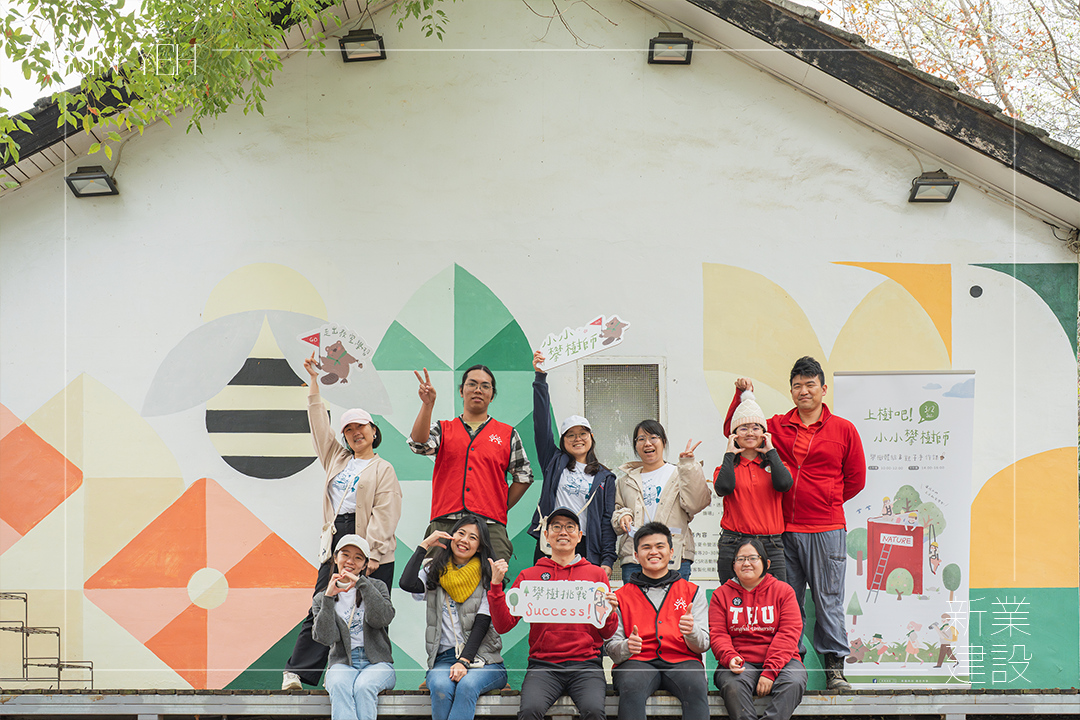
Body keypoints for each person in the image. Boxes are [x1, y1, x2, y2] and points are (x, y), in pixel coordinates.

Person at [726, 357, 865, 689]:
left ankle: (835, 670)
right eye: (797, 385)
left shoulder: (843, 429)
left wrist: (827, 500)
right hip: (783, 531)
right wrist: (740, 396)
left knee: (828, 599)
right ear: (791, 391)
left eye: (810, 384)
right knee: (788, 601)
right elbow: (736, 429)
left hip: (826, 529)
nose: (804, 391)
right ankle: (792, 663)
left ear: (823, 389)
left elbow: (856, 479)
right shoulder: (776, 425)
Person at [283, 353, 402, 691]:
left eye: (360, 427)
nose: (354, 433)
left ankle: (374, 672)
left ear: (373, 431)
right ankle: (298, 672)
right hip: (338, 541)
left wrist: (371, 552)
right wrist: (313, 382)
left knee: (373, 610)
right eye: (348, 429)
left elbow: (386, 511)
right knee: (324, 601)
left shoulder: (383, 468)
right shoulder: (337, 457)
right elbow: (319, 426)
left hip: (370, 544)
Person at [488, 507, 619, 720]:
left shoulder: (596, 575)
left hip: (586, 665)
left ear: (579, 535)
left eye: (570, 527)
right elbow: (504, 626)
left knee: (594, 711)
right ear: (546, 535)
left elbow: (607, 632)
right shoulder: (529, 576)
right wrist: (496, 586)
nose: (563, 532)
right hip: (543, 666)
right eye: (556, 527)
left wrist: (610, 613)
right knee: (529, 712)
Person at [410, 365, 533, 561]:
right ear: (461, 391)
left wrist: (500, 506)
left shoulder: (507, 434)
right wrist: (428, 405)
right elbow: (418, 444)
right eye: (472, 384)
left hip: (490, 526)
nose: (478, 390)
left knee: (492, 578)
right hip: (445, 522)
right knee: (436, 577)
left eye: (485, 386)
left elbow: (524, 476)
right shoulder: (443, 429)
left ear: (492, 396)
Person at [398, 516, 508, 720]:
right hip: (444, 659)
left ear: (480, 547)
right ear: (451, 536)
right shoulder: (433, 570)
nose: (464, 540)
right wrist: (424, 546)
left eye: (473, 537)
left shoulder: (488, 575)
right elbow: (407, 583)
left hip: (485, 661)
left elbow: (482, 624)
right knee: (440, 686)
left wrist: (464, 662)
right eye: (461, 533)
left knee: (467, 685)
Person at [606, 521, 710, 720]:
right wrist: (627, 646)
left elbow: (703, 644)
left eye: (659, 546)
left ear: (671, 552)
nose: (653, 552)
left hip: (683, 661)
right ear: (636, 555)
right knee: (631, 685)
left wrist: (692, 632)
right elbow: (612, 648)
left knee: (696, 685)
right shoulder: (619, 596)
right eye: (646, 547)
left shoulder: (692, 592)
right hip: (636, 663)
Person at [529, 350, 616, 577]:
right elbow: (541, 424)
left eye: (583, 434)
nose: (577, 439)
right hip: (552, 542)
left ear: (591, 437)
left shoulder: (605, 477)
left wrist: (607, 558)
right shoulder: (554, 461)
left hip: (586, 546)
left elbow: (607, 521)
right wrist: (540, 378)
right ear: (563, 441)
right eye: (571, 435)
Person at [710, 538, 806, 720]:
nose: (746, 563)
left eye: (753, 558)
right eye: (740, 559)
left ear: (766, 563)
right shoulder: (721, 594)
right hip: (740, 661)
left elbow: (788, 633)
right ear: (733, 565)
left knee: (793, 681)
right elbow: (718, 634)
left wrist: (770, 671)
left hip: (783, 661)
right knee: (733, 685)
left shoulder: (784, 591)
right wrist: (729, 657)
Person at [612, 420, 711, 581]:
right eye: (641, 439)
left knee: (675, 598)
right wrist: (623, 515)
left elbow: (696, 504)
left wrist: (688, 466)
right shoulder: (625, 481)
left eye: (653, 437)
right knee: (634, 599)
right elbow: (618, 510)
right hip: (635, 557)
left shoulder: (679, 473)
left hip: (674, 555)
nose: (647, 443)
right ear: (635, 446)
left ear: (663, 442)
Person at [312, 534, 396, 720]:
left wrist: (362, 585)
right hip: (342, 663)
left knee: (364, 687)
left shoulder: (377, 587)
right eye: (345, 555)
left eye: (358, 557)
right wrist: (328, 598)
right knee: (339, 686)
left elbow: (382, 619)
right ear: (336, 558)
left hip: (378, 663)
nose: (350, 561)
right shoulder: (321, 598)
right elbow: (325, 637)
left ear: (365, 564)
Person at [714, 389, 793, 584]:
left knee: (775, 597)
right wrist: (729, 454)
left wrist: (771, 450)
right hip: (734, 543)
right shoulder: (725, 468)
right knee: (732, 598)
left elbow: (784, 485)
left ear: (764, 433)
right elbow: (723, 488)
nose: (750, 433)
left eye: (756, 427)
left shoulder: (777, 465)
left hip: (771, 544)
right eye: (743, 428)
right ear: (734, 435)